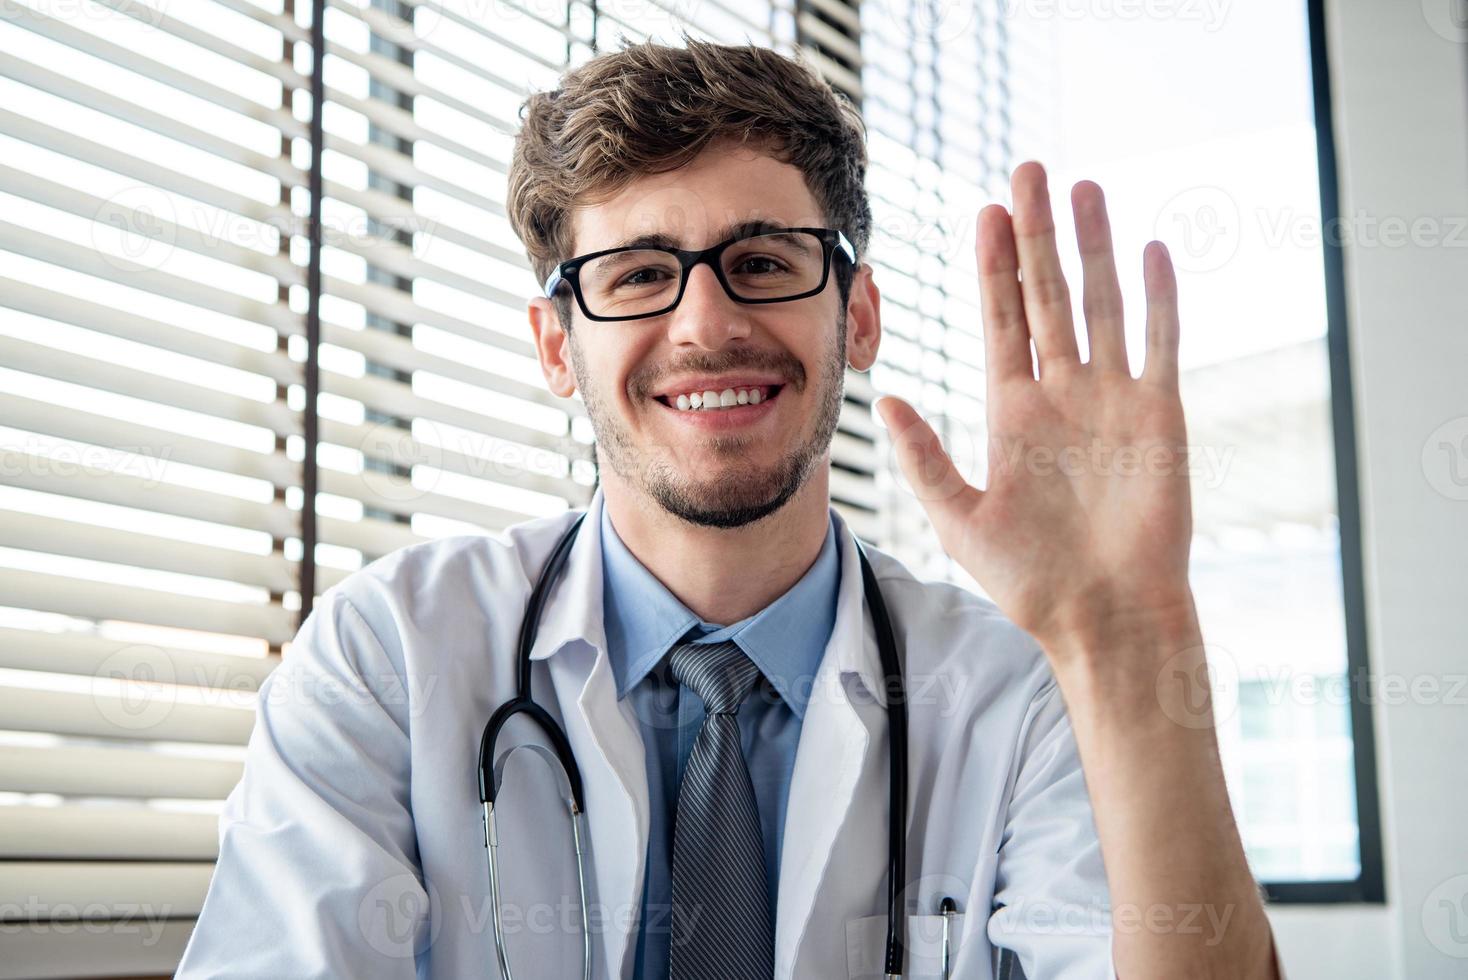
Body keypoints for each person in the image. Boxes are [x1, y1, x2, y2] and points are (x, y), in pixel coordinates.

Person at [177, 36, 1286, 979]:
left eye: (762, 260)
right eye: (638, 273)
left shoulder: (1023, 690)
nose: (706, 322)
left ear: (857, 318)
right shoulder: (388, 657)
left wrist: (1132, 640)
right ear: (558, 345)